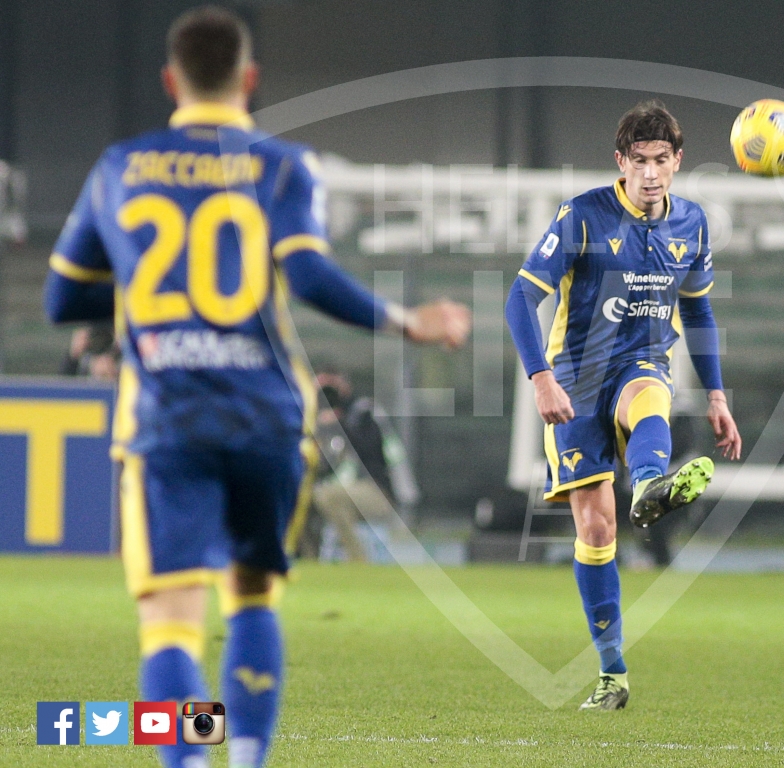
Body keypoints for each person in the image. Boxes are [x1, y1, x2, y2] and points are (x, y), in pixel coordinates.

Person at [42, 7, 470, 768]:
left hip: (167, 417)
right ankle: (244, 757)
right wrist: (409, 322)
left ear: (170, 80)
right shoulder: (283, 166)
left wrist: (145, 287)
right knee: (251, 600)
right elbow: (308, 275)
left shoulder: (120, 166)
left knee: (171, 625)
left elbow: (61, 300)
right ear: (249, 80)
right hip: (265, 417)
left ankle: (189, 759)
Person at [504, 100, 741, 710]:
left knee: (649, 401)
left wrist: (717, 393)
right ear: (621, 161)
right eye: (640, 161)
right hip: (576, 380)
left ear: (678, 160)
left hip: (642, 361)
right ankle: (612, 672)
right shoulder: (582, 215)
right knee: (596, 529)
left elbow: (698, 310)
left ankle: (651, 482)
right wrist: (540, 379)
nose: (651, 173)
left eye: (661, 160)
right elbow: (519, 298)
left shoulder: (692, 223)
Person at [310, 368, 419, 562]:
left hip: (376, 491)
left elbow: (370, 448)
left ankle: (357, 558)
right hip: (343, 492)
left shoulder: (363, 411)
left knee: (326, 495)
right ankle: (307, 560)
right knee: (306, 497)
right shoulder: (312, 417)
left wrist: (339, 423)